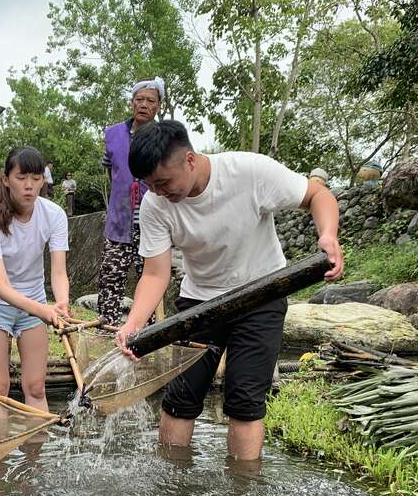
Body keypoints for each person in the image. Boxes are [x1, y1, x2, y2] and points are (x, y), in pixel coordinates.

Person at [115, 120, 344, 460]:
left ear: (189, 160)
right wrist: (133, 323)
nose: (158, 192)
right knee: (180, 397)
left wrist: (328, 234)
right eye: (150, 185)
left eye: (163, 182)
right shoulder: (155, 205)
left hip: (262, 295)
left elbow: (317, 195)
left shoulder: (249, 171)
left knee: (245, 402)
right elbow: (154, 274)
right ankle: (171, 480)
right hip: (199, 304)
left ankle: (242, 486)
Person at [0, 146, 70, 412]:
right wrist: (43, 311)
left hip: (34, 300)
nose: (29, 185)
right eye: (21, 177)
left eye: (36, 178)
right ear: (6, 179)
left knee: (36, 386)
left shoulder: (54, 215)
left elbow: (58, 271)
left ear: (43, 180)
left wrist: (61, 301)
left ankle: (37, 442)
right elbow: (2, 287)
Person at [98, 76, 164, 325]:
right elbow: (111, 170)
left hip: (152, 224)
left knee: (150, 282)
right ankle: (106, 328)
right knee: (110, 278)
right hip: (119, 222)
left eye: (150, 101)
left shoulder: (165, 137)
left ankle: (147, 334)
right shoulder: (113, 134)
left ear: (158, 106)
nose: (144, 105)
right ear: (132, 102)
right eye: (140, 99)